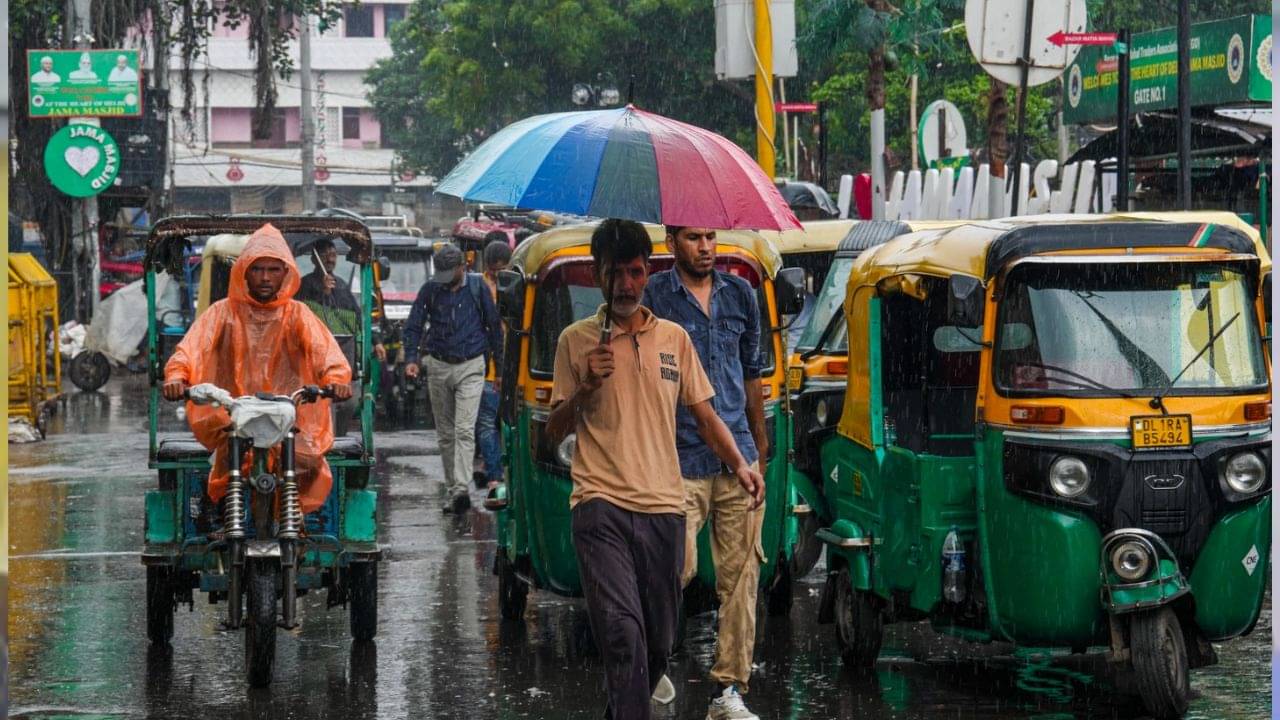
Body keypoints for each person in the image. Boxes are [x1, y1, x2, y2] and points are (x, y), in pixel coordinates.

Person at [545, 219, 764, 720]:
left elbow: (706, 416)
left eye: (635, 272)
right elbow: (551, 434)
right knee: (622, 633)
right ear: (598, 275)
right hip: (600, 507)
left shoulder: (674, 338)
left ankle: (623, 708)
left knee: (660, 640)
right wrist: (584, 387)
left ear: (648, 274)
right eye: (614, 273)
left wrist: (742, 464)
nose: (625, 284)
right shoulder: (575, 343)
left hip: (664, 507)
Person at [643, 226, 768, 720]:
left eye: (712, 237)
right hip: (679, 456)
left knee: (741, 580)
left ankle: (728, 692)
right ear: (673, 241)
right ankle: (652, 662)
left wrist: (758, 449)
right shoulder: (655, 296)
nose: (706, 247)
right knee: (675, 567)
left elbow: (752, 374)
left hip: (737, 457)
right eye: (694, 238)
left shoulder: (741, 293)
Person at [162, 224, 352, 516]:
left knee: (311, 462)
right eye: (257, 269)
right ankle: (221, 518)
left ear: (286, 273)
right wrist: (176, 376)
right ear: (244, 272)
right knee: (227, 465)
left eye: (273, 270)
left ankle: (297, 523)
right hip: (231, 415)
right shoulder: (222, 313)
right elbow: (190, 349)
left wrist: (336, 379)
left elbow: (325, 352)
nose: (265, 277)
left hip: (290, 416)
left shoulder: (298, 314)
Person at [403, 242, 503, 514]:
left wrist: (500, 368)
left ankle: (461, 488)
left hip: (471, 364)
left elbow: (494, 327)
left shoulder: (477, 287)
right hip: (438, 365)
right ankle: (453, 489)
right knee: (446, 433)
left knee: (463, 430)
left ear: (463, 267)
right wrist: (411, 358)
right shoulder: (430, 289)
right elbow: (413, 324)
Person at [295, 237, 385, 435]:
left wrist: (376, 342)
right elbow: (299, 313)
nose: (330, 259)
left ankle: (338, 439)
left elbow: (357, 319)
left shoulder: (342, 286)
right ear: (314, 259)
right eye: (325, 254)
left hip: (343, 358)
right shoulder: (304, 285)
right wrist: (322, 293)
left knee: (350, 403)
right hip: (313, 362)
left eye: (333, 254)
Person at [475, 239, 512, 487]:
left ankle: (497, 474)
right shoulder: (510, 284)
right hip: (491, 368)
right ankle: (497, 474)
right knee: (493, 423)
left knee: (493, 424)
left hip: (506, 366)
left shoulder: (477, 285)